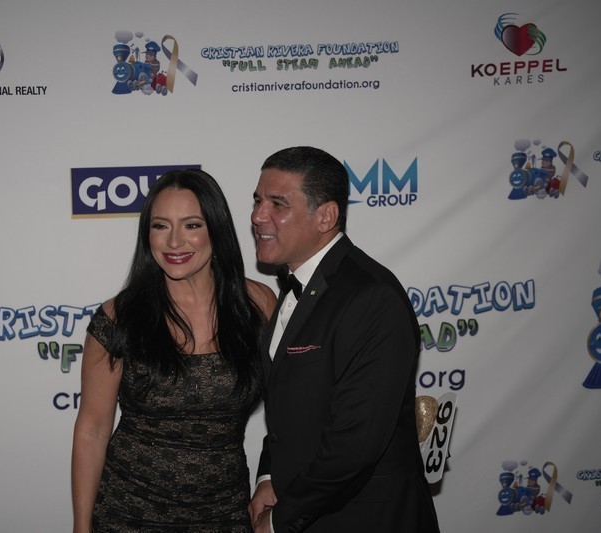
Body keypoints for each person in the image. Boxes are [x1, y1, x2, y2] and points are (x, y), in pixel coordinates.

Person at [72, 168, 277, 532]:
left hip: (225, 514)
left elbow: (289, 409)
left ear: (216, 229)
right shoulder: (119, 317)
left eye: (192, 225)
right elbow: (93, 429)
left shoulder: (257, 305)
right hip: (128, 515)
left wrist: (271, 476)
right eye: (160, 226)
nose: (174, 241)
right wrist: (81, 527)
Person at [248, 147, 440, 532]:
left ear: (326, 217)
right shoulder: (297, 284)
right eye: (257, 201)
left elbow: (355, 444)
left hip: (366, 519)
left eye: (277, 204)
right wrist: (269, 475)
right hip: (310, 509)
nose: (257, 216)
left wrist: (280, 521)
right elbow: (293, 409)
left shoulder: (371, 296)